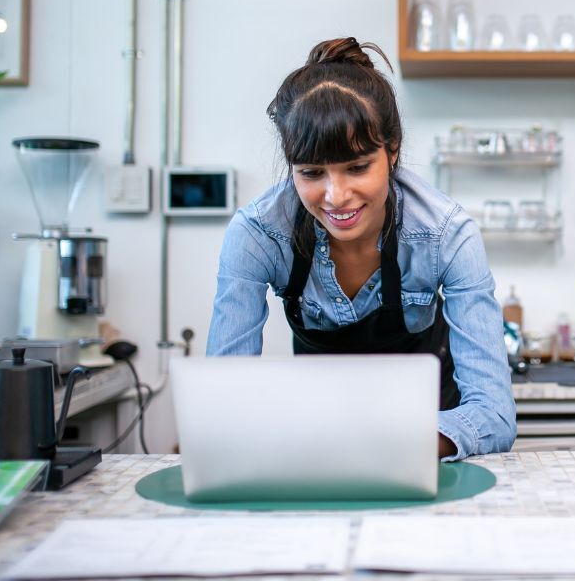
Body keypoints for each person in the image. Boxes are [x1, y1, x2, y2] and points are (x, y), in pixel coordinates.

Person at [207, 36, 516, 460]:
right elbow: (225, 402)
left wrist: (391, 444)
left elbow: (494, 416)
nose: (336, 196)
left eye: (357, 167)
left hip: (427, 448)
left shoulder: (447, 234)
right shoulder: (257, 234)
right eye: (312, 172)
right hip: (319, 444)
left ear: (392, 152)